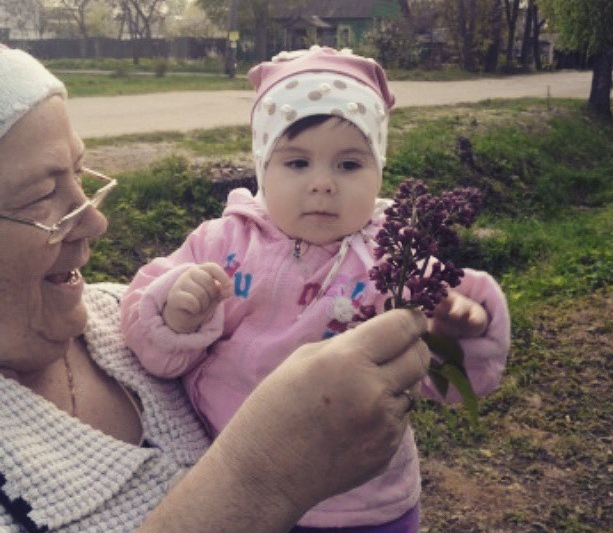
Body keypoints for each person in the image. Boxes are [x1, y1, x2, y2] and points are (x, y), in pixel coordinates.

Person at [0, 44, 435, 533]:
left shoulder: (107, 313)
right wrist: (261, 482)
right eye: (42, 195)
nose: (97, 222)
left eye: (80, 174)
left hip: (375, 508)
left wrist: (463, 329)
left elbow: (445, 355)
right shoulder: (226, 245)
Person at [121, 46, 511, 533]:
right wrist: (177, 313)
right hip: (238, 491)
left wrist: (456, 330)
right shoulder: (222, 244)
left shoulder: (394, 258)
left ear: (379, 170)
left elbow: (447, 381)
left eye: (348, 165)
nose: (323, 183)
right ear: (263, 167)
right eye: (297, 163)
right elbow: (146, 333)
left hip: (364, 504)